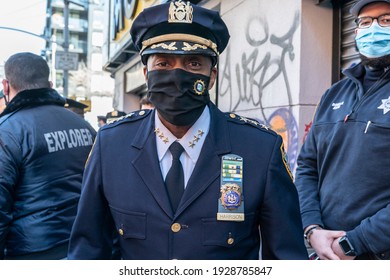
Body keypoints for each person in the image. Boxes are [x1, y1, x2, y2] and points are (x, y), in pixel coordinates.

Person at [68, 0, 307, 260]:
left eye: (193, 64)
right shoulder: (111, 146)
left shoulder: (259, 149)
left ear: (212, 75)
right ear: (146, 73)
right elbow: (88, 252)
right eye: (163, 64)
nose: (177, 76)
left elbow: (287, 259)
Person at [295, 0, 390, 260]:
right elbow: (307, 166)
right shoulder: (334, 94)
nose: (374, 29)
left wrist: (352, 244)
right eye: (365, 22)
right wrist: (312, 228)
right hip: (323, 252)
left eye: (386, 20)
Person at [0, 52, 96, 259]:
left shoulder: (7, 131)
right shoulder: (84, 126)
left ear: (6, 86)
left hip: (32, 251)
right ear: (50, 84)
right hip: (83, 243)